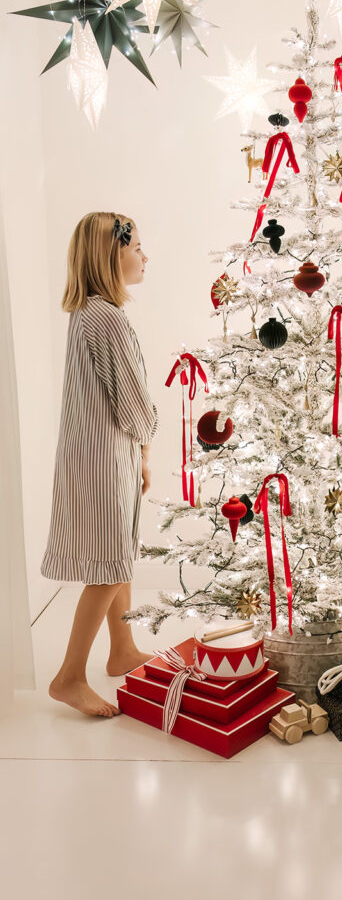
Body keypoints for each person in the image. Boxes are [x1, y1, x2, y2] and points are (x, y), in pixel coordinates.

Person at [42, 212, 158, 716]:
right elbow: (132, 400)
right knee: (110, 564)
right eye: (136, 248)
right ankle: (69, 676)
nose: (144, 256)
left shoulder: (86, 313)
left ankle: (123, 649)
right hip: (104, 460)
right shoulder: (106, 318)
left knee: (118, 554)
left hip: (97, 455)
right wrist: (147, 439)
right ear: (113, 255)